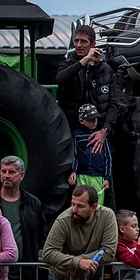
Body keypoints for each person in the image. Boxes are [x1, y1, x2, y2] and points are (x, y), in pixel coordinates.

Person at [55, 24, 118, 209]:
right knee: (71, 183)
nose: (79, 45)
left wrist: (105, 131)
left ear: (93, 44)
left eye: (83, 42)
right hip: (73, 134)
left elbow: (113, 103)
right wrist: (84, 61)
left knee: (106, 185)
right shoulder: (68, 64)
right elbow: (59, 79)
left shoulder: (105, 70)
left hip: (98, 134)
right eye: (76, 41)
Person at [68, 104, 113, 206]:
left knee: (97, 204)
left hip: (98, 177)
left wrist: (107, 178)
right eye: (90, 119)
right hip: (82, 176)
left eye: (96, 119)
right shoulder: (77, 135)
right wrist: (73, 171)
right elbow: (74, 155)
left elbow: (108, 158)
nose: (94, 122)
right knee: (80, 202)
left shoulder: (102, 136)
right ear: (81, 121)